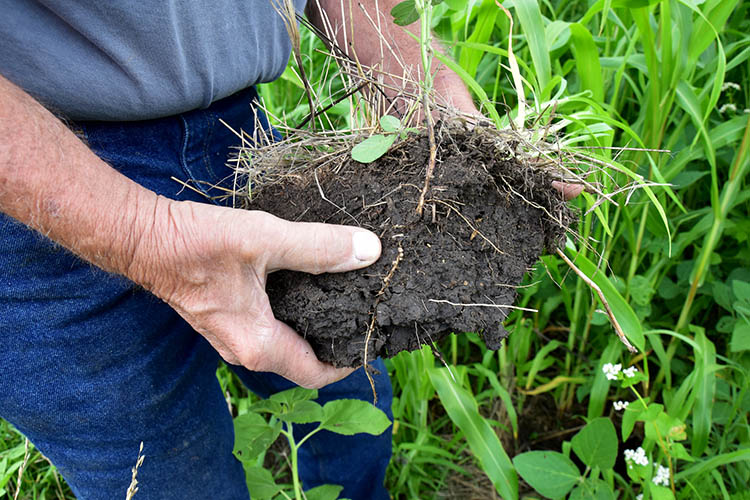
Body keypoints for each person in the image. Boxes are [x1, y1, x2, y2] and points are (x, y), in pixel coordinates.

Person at [0, 0, 485, 498]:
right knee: (171, 478)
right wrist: (144, 232)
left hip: (240, 137)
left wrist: (418, 79)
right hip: (38, 192)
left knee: (349, 405)